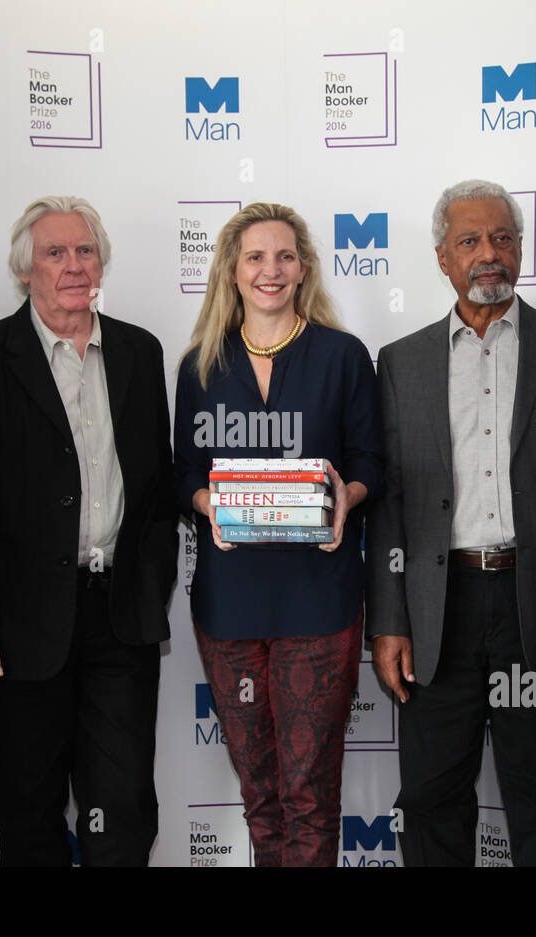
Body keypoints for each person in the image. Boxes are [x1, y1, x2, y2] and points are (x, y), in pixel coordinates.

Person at [365, 180, 536, 866]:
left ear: (522, 249)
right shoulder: (400, 363)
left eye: (503, 237)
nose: (488, 254)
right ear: (442, 257)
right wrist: (389, 622)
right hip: (439, 613)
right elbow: (389, 507)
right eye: (469, 241)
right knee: (432, 801)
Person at [0, 196, 176, 866]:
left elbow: (157, 490)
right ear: (25, 271)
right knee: (29, 817)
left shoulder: (139, 351)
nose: (74, 266)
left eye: (85, 251)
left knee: (123, 812)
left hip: (120, 620)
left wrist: (151, 583)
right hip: (17, 627)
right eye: (55, 253)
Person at [173, 202, 382, 866]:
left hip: (318, 600)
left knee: (309, 795)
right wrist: (209, 504)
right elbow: (180, 474)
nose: (272, 269)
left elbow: (371, 462)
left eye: (286, 256)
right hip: (230, 604)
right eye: (256, 256)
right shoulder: (200, 365)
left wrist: (344, 499)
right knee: (262, 796)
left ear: (304, 268)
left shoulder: (342, 355)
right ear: (233, 270)